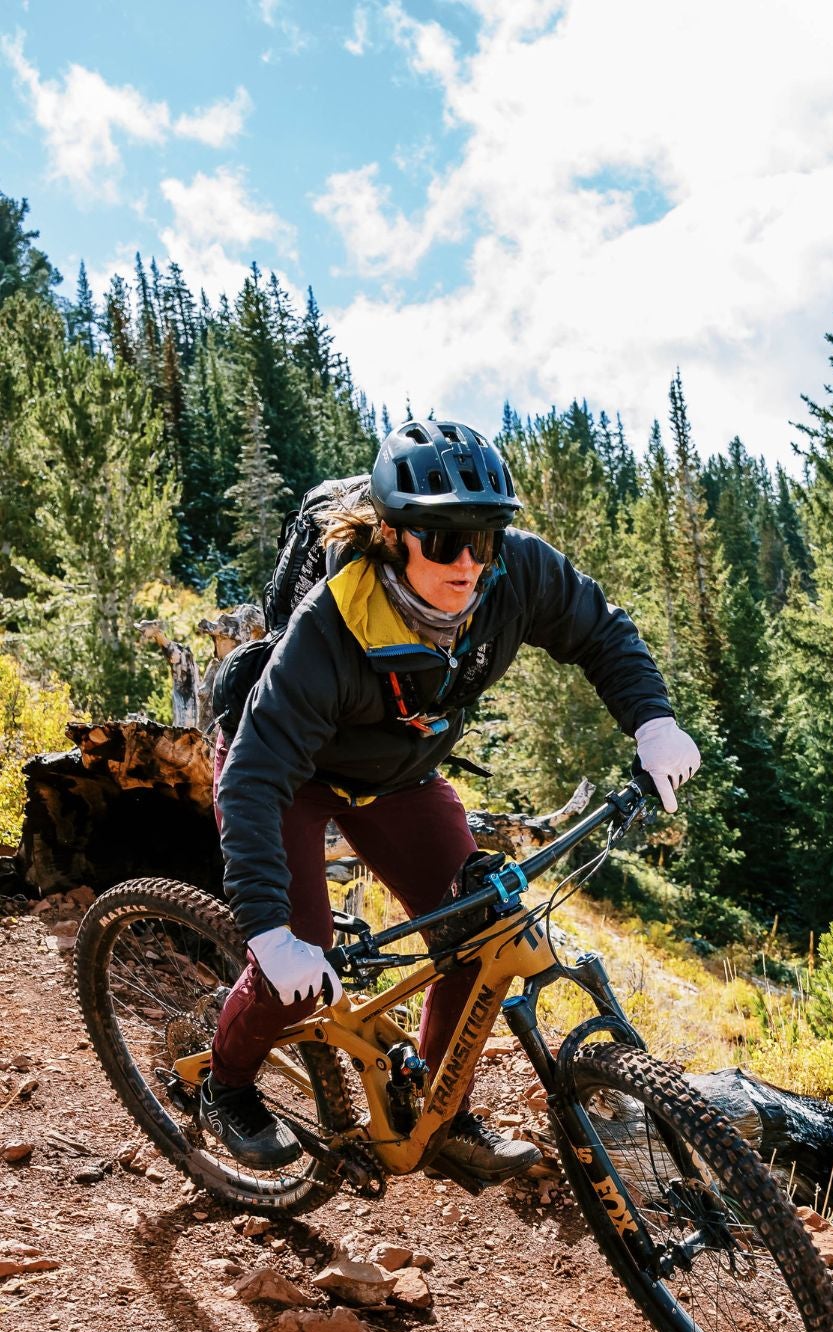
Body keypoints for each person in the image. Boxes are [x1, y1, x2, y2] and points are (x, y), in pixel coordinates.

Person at [202, 417, 700, 1181]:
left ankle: (441, 1115)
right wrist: (271, 932)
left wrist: (653, 720)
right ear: (397, 535)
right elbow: (254, 777)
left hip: (395, 776)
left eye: (484, 537)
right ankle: (225, 1084)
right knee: (299, 955)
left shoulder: (514, 577)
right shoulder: (333, 624)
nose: (467, 562)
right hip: (286, 776)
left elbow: (600, 630)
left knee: (481, 930)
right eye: (442, 541)